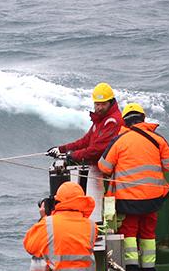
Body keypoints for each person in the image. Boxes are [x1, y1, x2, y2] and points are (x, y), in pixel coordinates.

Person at [97, 103, 169, 271]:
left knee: (129, 234)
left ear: (125, 122)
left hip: (128, 199)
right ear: (143, 119)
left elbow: (104, 167)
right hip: (154, 198)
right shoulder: (157, 139)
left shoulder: (119, 141)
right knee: (148, 233)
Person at [46, 82, 125, 222]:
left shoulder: (112, 121)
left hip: (108, 171)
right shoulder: (100, 121)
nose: (99, 108)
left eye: (103, 104)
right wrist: (61, 149)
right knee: (96, 201)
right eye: (97, 104)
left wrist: (71, 155)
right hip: (99, 168)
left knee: (99, 204)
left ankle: (97, 226)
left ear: (111, 103)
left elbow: (97, 150)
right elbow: (84, 141)